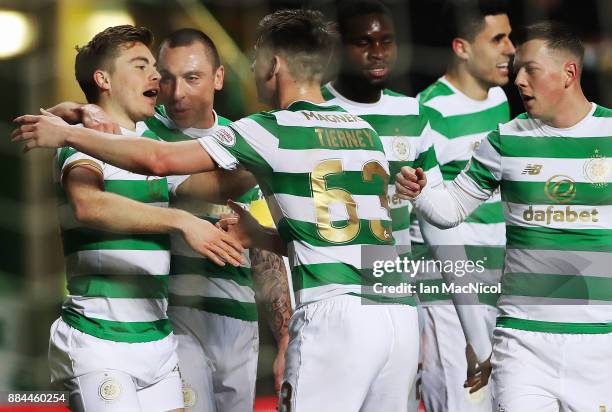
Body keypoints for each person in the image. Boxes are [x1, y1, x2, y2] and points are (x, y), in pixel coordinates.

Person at [14, 9, 420, 412]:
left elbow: (157, 160)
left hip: (333, 316)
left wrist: (67, 130)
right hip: (397, 312)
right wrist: (78, 113)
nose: (165, 84)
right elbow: (324, 232)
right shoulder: (363, 132)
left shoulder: (268, 129)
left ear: (273, 65)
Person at [50, 28, 291, 412]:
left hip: (201, 330)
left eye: (191, 78)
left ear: (218, 78)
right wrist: (80, 111)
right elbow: (90, 198)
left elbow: (257, 243)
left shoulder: (224, 140)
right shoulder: (119, 136)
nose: (169, 87)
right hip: (148, 326)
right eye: (157, 72)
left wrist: (284, 338)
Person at [395, 22, 612, 411]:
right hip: (521, 342)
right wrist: (420, 188)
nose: (519, 80)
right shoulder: (504, 139)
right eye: (518, 70)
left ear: (569, 73)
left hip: (600, 345)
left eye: (530, 69)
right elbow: (449, 212)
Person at [319, 2, 442, 410]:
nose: (377, 51)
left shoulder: (412, 114)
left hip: (396, 302)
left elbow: (439, 215)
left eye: (386, 41)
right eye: (363, 42)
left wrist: (421, 189)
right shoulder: (311, 112)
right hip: (330, 299)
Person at [413, 1, 514, 410]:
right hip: (450, 296)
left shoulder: (500, 100)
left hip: (498, 289)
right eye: (498, 39)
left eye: (511, 36)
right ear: (461, 47)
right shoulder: (428, 112)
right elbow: (416, 212)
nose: (511, 48)